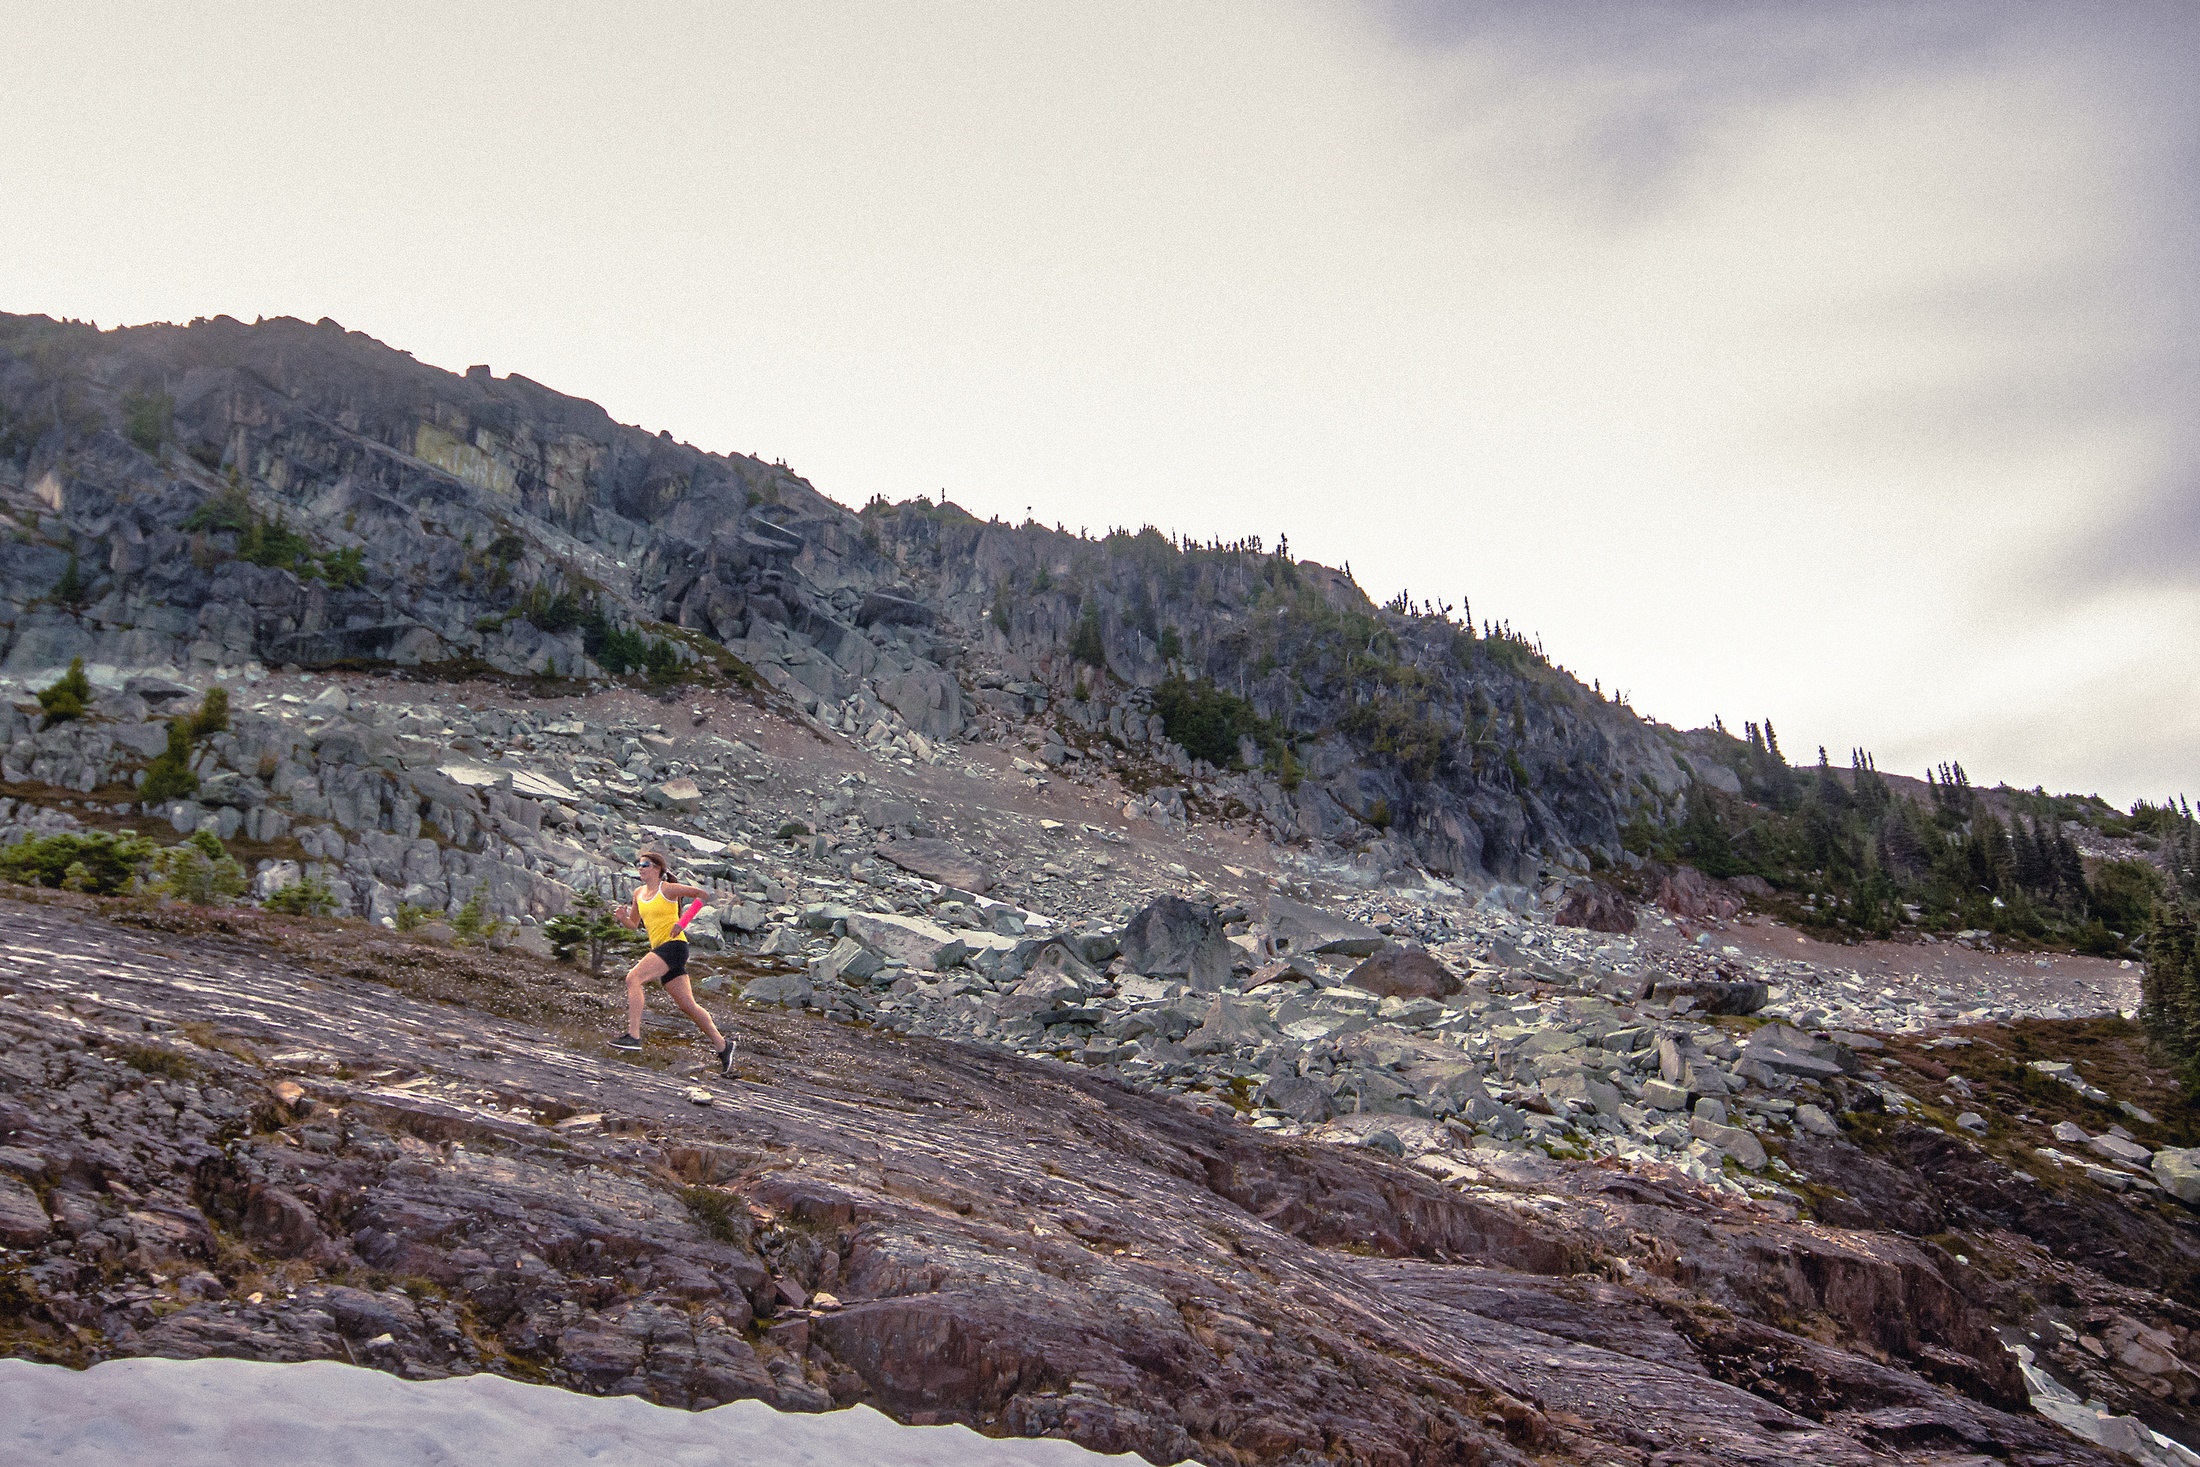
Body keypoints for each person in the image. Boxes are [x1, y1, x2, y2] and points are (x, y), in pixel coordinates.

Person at [609, 850, 736, 1076]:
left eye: (646, 864)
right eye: (638, 864)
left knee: (633, 978)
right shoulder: (638, 893)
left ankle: (634, 1037)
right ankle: (723, 1046)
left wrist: (683, 922)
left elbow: (702, 895)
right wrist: (622, 919)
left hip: (675, 946)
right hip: (661, 949)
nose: (641, 868)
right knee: (688, 1005)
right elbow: (634, 925)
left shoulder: (666, 889)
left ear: (658, 868)